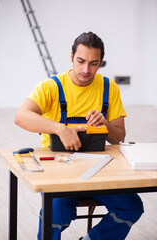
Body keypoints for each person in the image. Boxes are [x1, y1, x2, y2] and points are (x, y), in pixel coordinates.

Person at [14, 32, 144, 240]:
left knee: (131, 207)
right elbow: (21, 117)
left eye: (93, 63)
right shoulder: (51, 87)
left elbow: (119, 138)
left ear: (101, 61)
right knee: (56, 212)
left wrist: (106, 123)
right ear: (71, 56)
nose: (86, 70)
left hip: (102, 169)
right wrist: (59, 128)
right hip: (60, 171)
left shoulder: (109, 88)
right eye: (81, 61)